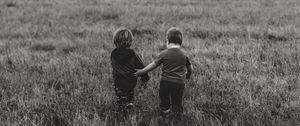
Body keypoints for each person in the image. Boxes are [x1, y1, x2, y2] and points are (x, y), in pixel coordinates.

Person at [135, 27, 193, 118]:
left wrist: (142, 71)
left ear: (168, 41)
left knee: (164, 99)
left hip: (165, 82)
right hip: (179, 83)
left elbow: (153, 65)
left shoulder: (164, 53)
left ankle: (165, 112)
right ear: (180, 42)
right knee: (177, 100)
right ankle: (177, 115)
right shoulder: (184, 55)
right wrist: (188, 75)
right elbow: (190, 68)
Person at [111, 28, 149, 115]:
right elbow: (142, 67)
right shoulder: (133, 54)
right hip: (130, 80)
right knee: (129, 94)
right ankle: (128, 104)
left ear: (115, 41)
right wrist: (145, 78)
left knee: (120, 96)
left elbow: (112, 64)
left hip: (118, 80)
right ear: (130, 41)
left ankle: (123, 108)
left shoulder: (113, 53)